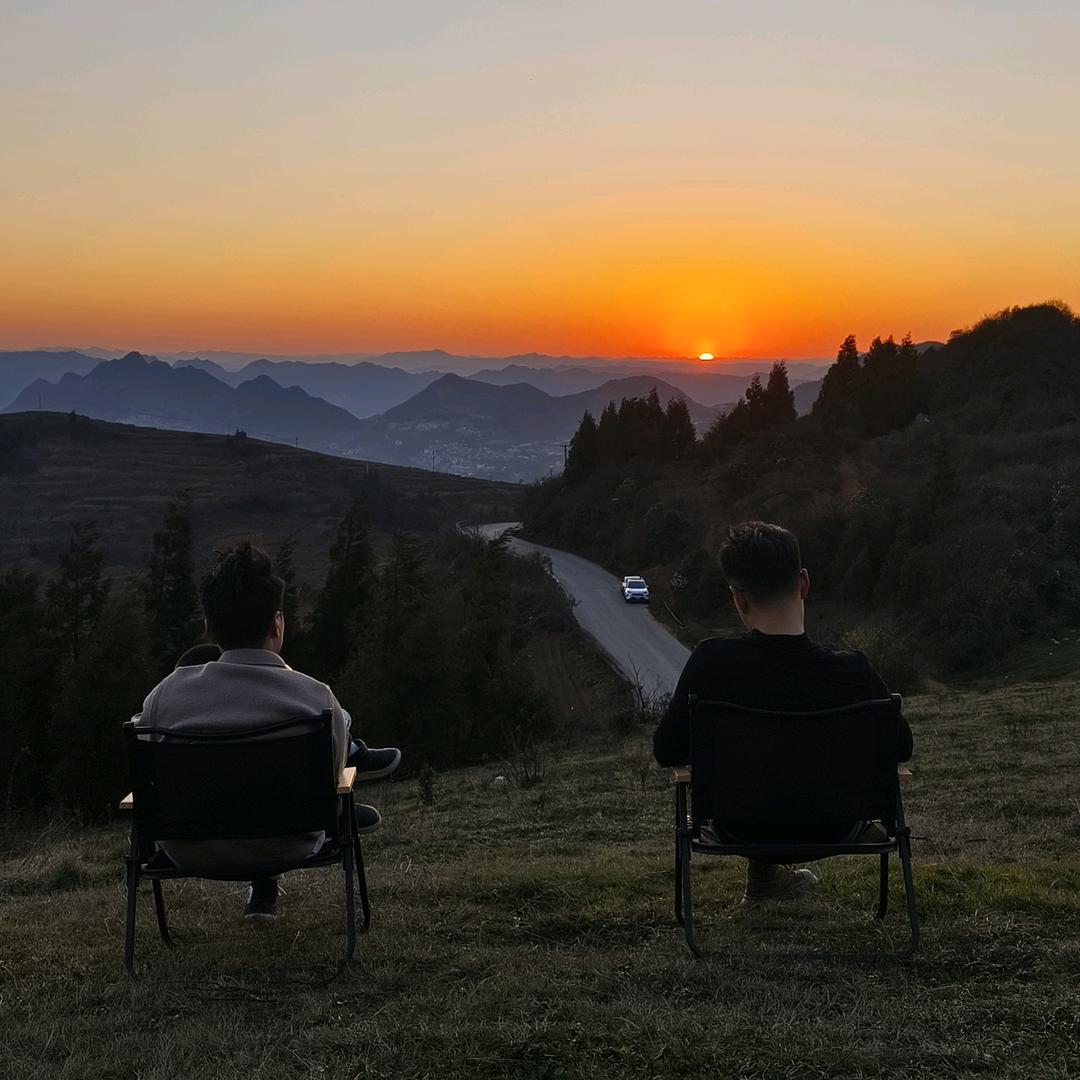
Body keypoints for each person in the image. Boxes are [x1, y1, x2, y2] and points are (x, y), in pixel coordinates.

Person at [133, 542, 400, 919]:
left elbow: (144, 765)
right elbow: (331, 776)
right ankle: (352, 796)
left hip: (188, 847)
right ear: (277, 623)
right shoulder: (316, 698)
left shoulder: (165, 696)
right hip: (289, 843)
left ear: (208, 628)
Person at [653, 520, 913, 905]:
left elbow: (666, 750)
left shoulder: (712, 663)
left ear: (738, 599)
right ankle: (767, 882)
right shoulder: (854, 671)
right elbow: (902, 748)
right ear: (804, 583)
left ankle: (766, 880)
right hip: (839, 826)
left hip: (738, 826)